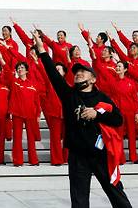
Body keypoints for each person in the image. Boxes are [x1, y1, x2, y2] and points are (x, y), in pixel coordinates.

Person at [33, 30, 132, 208]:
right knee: (79, 201)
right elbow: (53, 76)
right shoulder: (69, 95)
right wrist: (42, 50)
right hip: (78, 156)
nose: (78, 74)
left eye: (83, 72)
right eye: (77, 72)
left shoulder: (102, 98)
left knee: (117, 195)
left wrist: (97, 113)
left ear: (93, 78)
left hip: (101, 154)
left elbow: (118, 119)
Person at [112, 61, 138, 163]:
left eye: (120, 66)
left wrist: (137, 113)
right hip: (119, 113)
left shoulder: (131, 82)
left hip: (130, 112)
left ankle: (134, 158)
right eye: (117, 66)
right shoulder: (113, 82)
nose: (117, 68)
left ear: (125, 69)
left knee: (132, 136)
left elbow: (135, 99)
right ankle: (120, 158)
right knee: (118, 136)